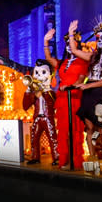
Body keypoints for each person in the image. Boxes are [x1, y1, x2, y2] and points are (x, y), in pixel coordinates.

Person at [68, 19, 102, 159]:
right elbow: (74, 50)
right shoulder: (93, 56)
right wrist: (71, 33)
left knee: (100, 127)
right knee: (90, 128)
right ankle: (92, 157)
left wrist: (87, 85)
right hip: (89, 94)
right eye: (98, 38)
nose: (100, 40)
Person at [43, 24, 88, 170]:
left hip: (74, 98)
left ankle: (75, 161)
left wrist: (70, 86)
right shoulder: (62, 62)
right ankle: (65, 159)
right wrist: (46, 41)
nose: (69, 45)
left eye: (72, 42)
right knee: (63, 132)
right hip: (62, 100)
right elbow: (48, 58)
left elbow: (80, 80)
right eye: (67, 43)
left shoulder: (82, 61)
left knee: (74, 131)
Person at [22, 59, 58, 165]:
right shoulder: (35, 92)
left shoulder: (51, 92)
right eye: (36, 73)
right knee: (34, 138)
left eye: (43, 72)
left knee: (52, 138)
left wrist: (44, 90)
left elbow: (52, 103)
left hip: (48, 118)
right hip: (37, 118)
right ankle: (35, 157)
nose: (39, 76)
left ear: (50, 75)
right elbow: (25, 106)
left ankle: (57, 157)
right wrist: (29, 91)